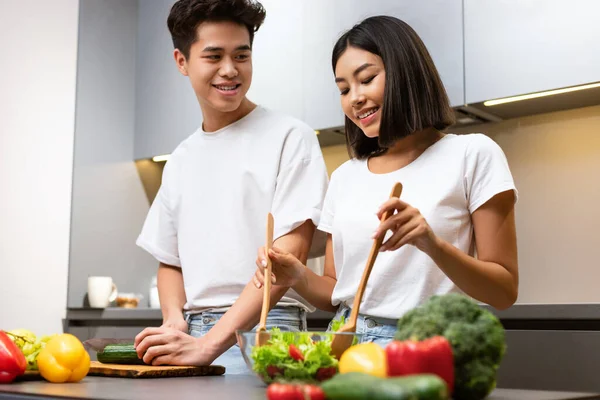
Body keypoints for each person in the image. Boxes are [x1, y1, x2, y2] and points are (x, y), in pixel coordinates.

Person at [254, 15, 519, 346]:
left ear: (405, 72)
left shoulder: (473, 155)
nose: (355, 98)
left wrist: (432, 244)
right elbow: (336, 292)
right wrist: (297, 275)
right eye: (344, 89)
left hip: (423, 345)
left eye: (366, 79)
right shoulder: (345, 176)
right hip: (345, 343)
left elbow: (504, 290)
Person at [133, 0, 329, 373]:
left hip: (269, 328)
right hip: (194, 332)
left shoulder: (290, 137)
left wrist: (210, 343)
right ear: (181, 61)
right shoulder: (181, 159)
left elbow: (289, 256)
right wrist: (174, 318)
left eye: (241, 55)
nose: (230, 70)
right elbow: (170, 261)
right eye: (214, 56)